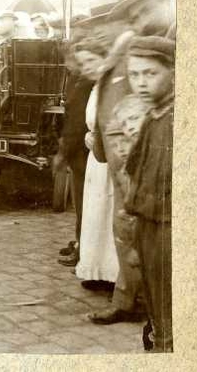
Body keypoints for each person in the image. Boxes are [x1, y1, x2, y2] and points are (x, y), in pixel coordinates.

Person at [87, 0, 173, 325]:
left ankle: (147, 308)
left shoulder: (168, 44)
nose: (139, 21)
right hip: (125, 159)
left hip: (149, 161)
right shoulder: (127, 47)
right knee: (127, 231)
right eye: (133, 17)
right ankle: (131, 300)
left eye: (144, 11)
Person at [123, 36, 175, 352]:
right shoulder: (154, 115)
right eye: (134, 74)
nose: (140, 83)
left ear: (174, 72)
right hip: (148, 226)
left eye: (150, 74)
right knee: (157, 307)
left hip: (168, 229)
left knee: (170, 310)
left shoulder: (175, 119)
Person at [72, 37, 119, 289]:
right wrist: (88, 136)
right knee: (95, 211)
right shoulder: (96, 87)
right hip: (96, 158)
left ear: (106, 59)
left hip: (110, 157)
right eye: (83, 63)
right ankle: (96, 271)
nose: (86, 67)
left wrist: (98, 138)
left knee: (108, 209)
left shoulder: (114, 87)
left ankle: (113, 275)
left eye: (91, 60)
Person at [55, 37, 97, 267]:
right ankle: (81, 243)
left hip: (82, 153)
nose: (67, 64)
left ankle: (83, 249)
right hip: (79, 152)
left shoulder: (83, 83)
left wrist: (63, 153)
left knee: (84, 204)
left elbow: (75, 122)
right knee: (82, 204)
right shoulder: (78, 79)